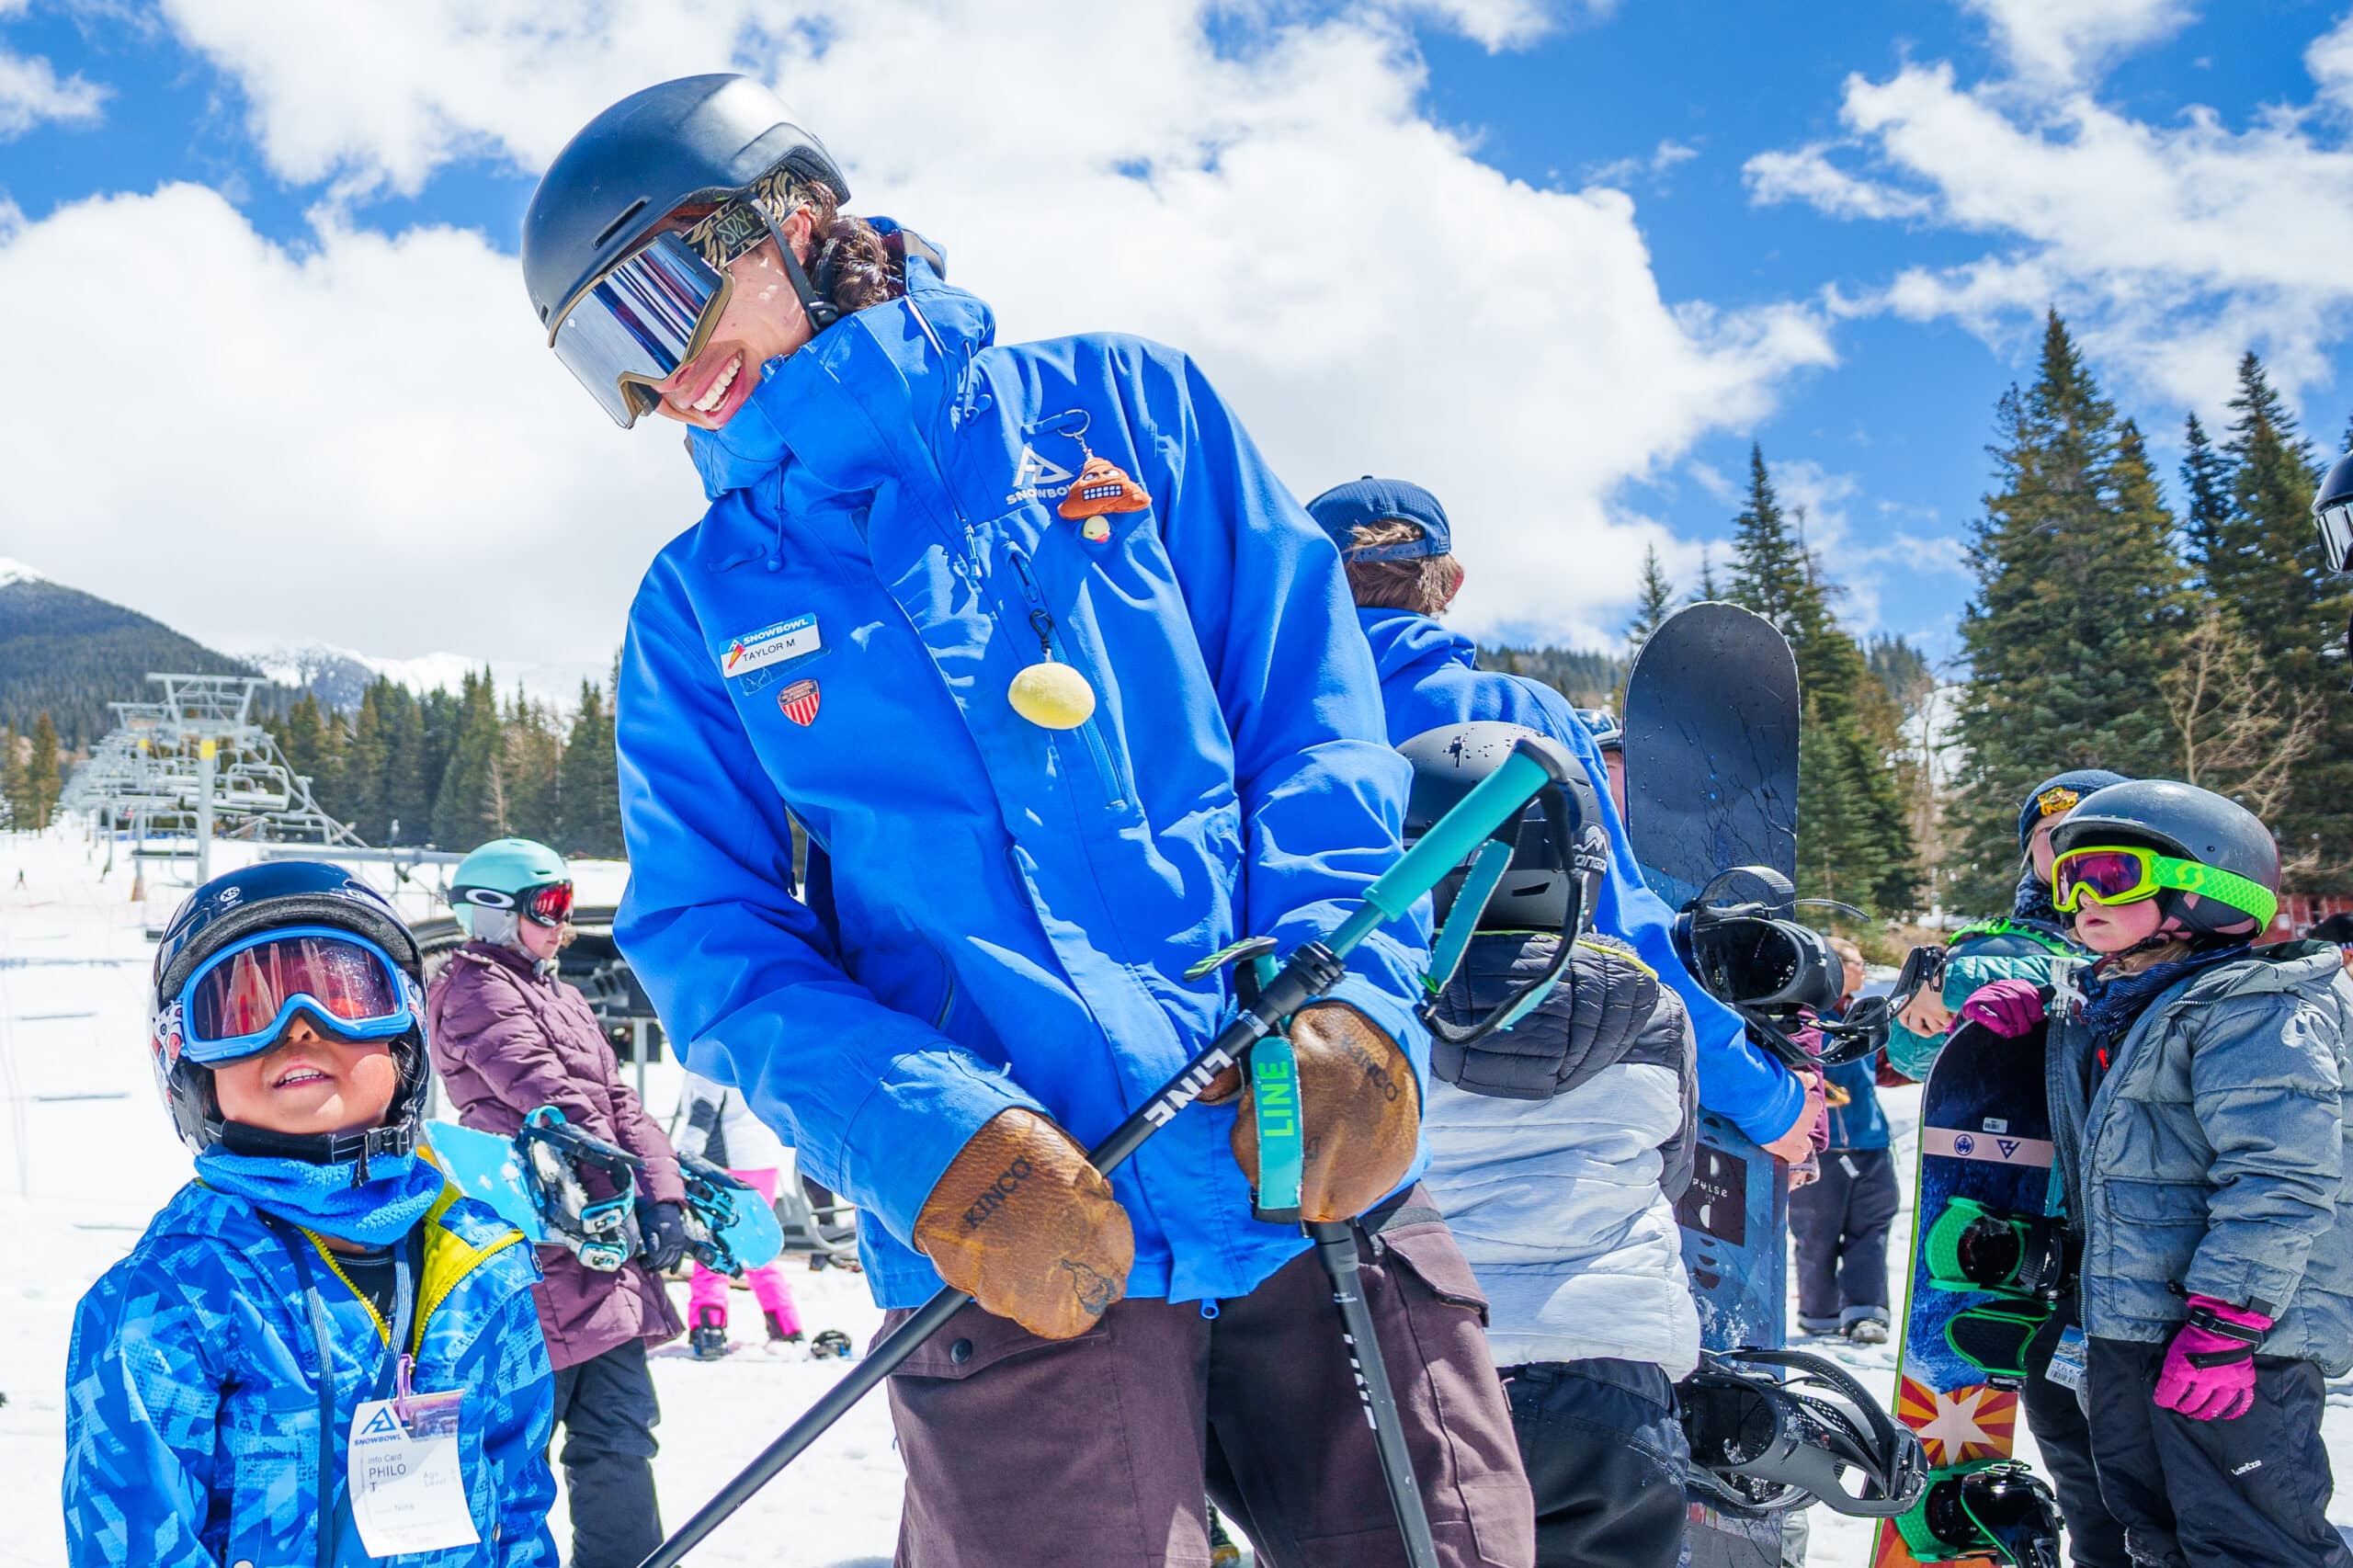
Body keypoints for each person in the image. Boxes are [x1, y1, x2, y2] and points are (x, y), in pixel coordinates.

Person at [526, 75, 1530, 1566]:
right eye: (610, 357)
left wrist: (1357, 998)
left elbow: (1308, 715)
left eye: (662, 300)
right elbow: (710, 932)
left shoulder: (1130, 409)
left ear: (790, 214)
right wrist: (930, 1140)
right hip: (1016, 1229)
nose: (667, 377)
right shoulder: (700, 607)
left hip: (1301, 1150)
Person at [1302, 475, 1824, 1176]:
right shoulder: (1506, 708)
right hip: (1500, 1111)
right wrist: (1768, 1103)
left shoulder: (1257, 728)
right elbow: (1619, 933)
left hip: (1308, 1109)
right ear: (1449, 584)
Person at [63, 861, 555, 1566]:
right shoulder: (170, 1298)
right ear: (189, 1066)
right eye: (243, 1011)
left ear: (405, 1039)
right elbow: (136, 1544)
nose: (299, 1030)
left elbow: (517, 1510)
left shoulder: (483, 1269)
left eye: (346, 996)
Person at [1965, 778, 2353, 1568]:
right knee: (2151, 1536)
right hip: (2128, 1330)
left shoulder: (2259, 1011)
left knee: (2252, 1542)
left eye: (2110, 877)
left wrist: (2227, 1325)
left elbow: (2281, 1180)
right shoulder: (2122, 1006)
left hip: (2237, 1343)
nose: (2079, 900)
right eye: (2069, 882)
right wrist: (2042, 1007)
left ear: (2205, 892)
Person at [1409, 722, 1700, 1568]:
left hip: (1423, 1366)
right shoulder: (1652, 1010)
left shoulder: (1367, 1014)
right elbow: (1670, 1168)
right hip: (1612, 1377)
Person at [426, 837, 687, 1568]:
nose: (564, 926)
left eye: (568, 907)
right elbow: (549, 1098)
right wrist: (622, 1193)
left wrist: (661, 1194)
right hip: (534, 1252)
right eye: (549, 908)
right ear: (491, 914)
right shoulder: (474, 990)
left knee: (621, 1436)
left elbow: (618, 1101)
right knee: (518, 1445)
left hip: (601, 1251)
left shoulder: (561, 995)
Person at [1899, 767, 2132, 1568]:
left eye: (2099, 840)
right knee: (2075, 1441)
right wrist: (1935, 1020)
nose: (2072, 855)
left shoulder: (2165, 950)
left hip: (2136, 1235)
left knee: (2139, 1456)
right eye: (2054, 838)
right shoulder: (1995, 950)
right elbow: (1916, 1051)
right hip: (2031, 1232)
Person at [1889, 768, 2128, 1078]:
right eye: (2049, 831)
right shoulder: (1993, 940)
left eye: (2079, 828)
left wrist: (1955, 983)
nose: (2064, 843)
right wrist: (1928, 1012)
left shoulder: (2158, 916)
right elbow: (1914, 1061)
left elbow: (2125, 976)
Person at [1789, 935, 1897, 1345]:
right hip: (1821, 1149)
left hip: (1871, 1143)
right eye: (1855, 960)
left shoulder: (1864, 1015)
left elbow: (1886, 1069)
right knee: (1816, 1235)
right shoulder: (1804, 1014)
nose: (1864, 968)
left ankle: (1866, 1314)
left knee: (1872, 1231)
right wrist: (1818, 1093)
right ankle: (1819, 1316)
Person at [676, 1069, 807, 1357]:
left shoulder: (706, 1053)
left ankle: (709, 1328)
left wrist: (682, 1157)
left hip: (723, 1164)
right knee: (757, 1242)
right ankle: (786, 1326)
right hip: (762, 1158)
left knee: (713, 1245)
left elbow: (704, 1109)